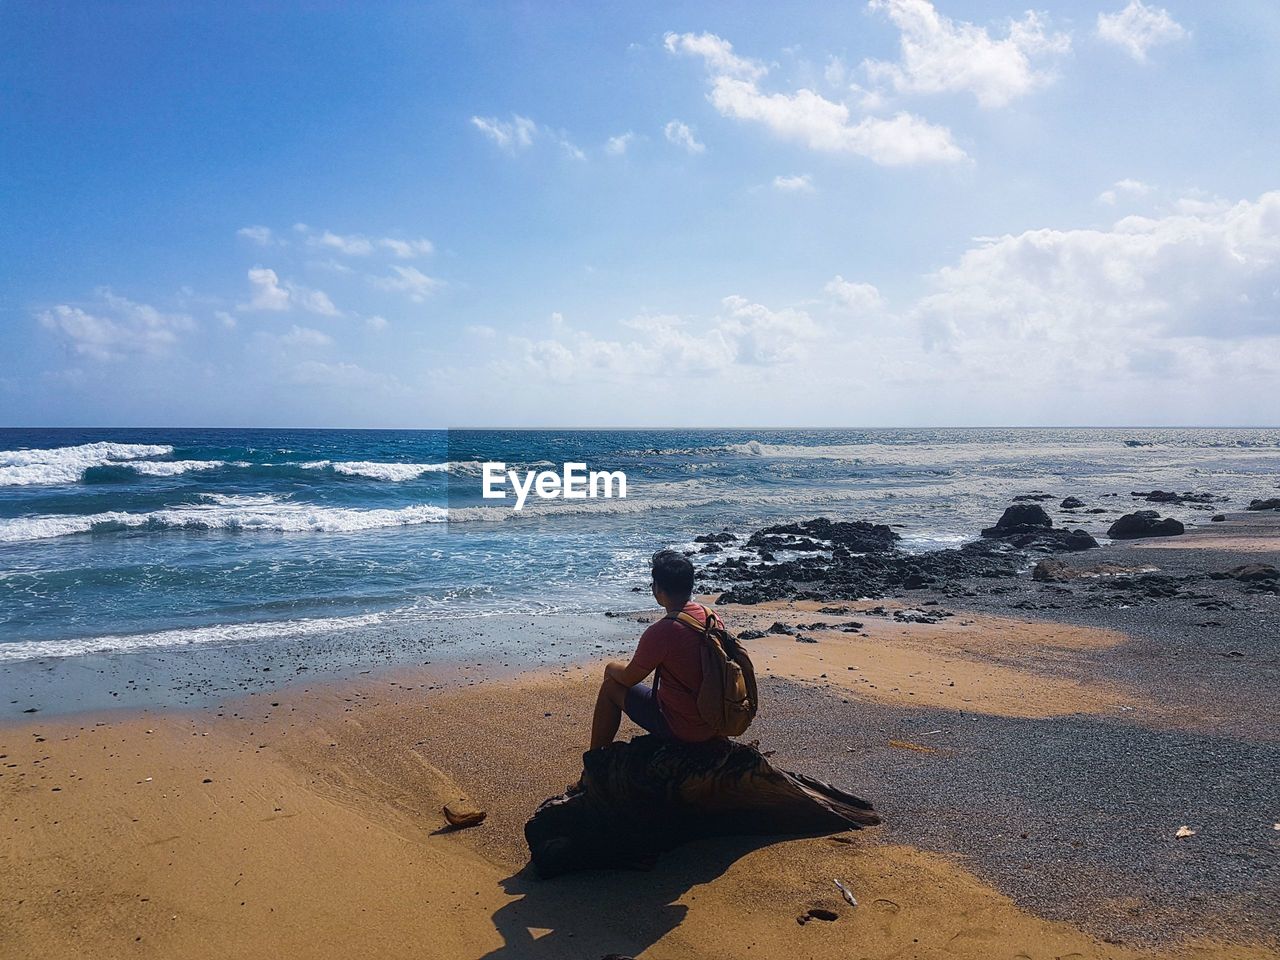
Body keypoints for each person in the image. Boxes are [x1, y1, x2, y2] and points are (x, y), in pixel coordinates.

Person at [589, 549, 721, 750]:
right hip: (716, 720)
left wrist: (610, 667)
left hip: (684, 726)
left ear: (658, 589)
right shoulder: (711, 617)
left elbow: (628, 678)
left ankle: (595, 760)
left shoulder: (663, 631)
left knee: (610, 687)